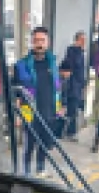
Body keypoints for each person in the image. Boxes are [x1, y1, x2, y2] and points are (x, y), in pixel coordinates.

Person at [13, 26, 64, 177]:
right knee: (29, 145)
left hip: (48, 110)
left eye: (42, 40)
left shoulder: (52, 63)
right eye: (36, 40)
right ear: (32, 43)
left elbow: (57, 87)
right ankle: (27, 172)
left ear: (47, 42)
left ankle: (40, 168)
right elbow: (16, 91)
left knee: (44, 143)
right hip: (30, 112)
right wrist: (17, 114)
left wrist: (59, 106)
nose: (39, 43)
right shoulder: (21, 65)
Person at [59, 30, 87, 141]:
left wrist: (83, 83)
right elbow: (71, 68)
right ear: (78, 40)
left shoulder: (80, 52)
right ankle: (68, 132)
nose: (84, 42)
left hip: (78, 85)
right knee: (71, 110)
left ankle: (69, 131)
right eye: (83, 40)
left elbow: (81, 70)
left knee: (73, 110)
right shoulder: (72, 51)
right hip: (72, 86)